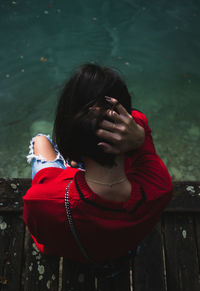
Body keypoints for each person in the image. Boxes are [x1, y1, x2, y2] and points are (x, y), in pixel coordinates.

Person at [23, 63, 173, 264]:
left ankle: (74, 161)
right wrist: (139, 139)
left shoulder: (42, 200)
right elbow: (138, 119)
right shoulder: (158, 185)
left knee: (40, 140)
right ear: (126, 128)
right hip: (121, 246)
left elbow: (42, 239)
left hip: (70, 222)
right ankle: (77, 160)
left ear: (71, 130)